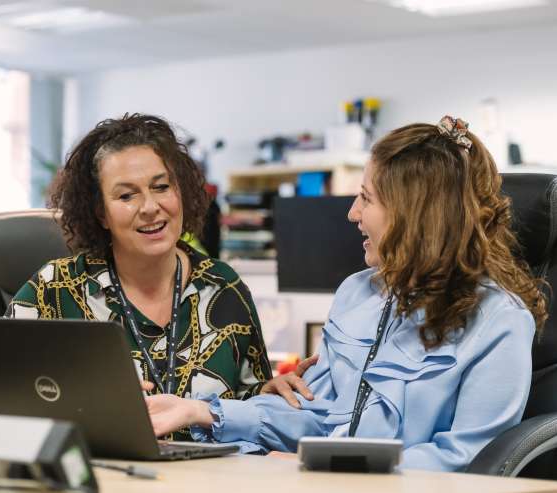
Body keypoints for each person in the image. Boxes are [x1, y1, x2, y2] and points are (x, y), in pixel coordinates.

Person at [144, 116, 547, 470]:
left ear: (415, 215)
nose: (352, 213)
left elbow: (469, 458)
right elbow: (319, 416)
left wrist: (333, 466)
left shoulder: (500, 321)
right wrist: (200, 412)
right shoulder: (358, 294)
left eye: (366, 198)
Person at [5, 113, 306, 439]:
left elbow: (249, 406)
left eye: (161, 187)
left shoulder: (223, 287)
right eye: (126, 195)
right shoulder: (55, 289)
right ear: (100, 214)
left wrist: (270, 394)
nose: (150, 206)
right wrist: (79, 403)